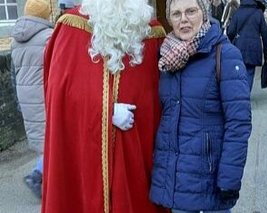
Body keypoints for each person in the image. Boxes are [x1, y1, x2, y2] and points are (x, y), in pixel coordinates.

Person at [41, 0, 168, 212]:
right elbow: (58, 96)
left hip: (137, 156)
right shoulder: (71, 28)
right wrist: (105, 113)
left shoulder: (153, 33)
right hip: (85, 158)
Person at [149, 0, 252, 212]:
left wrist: (229, 180)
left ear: (204, 14)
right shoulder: (166, 58)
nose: (184, 19)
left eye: (191, 11)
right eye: (176, 14)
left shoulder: (224, 55)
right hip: (177, 184)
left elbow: (239, 123)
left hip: (210, 182)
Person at [10, 0, 53, 199]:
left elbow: (12, 73)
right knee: (51, 140)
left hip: (25, 95)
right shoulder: (48, 37)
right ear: (45, 15)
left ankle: (42, 176)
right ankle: (36, 176)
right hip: (44, 96)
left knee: (41, 138)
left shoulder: (15, 40)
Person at [227, 0, 267, 91]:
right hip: (254, 48)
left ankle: (241, 94)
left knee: (239, 72)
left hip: (239, 47)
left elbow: (230, 32)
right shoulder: (258, 13)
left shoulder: (238, 13)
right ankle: (246, 94)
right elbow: (265, 35)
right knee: (250, 72)